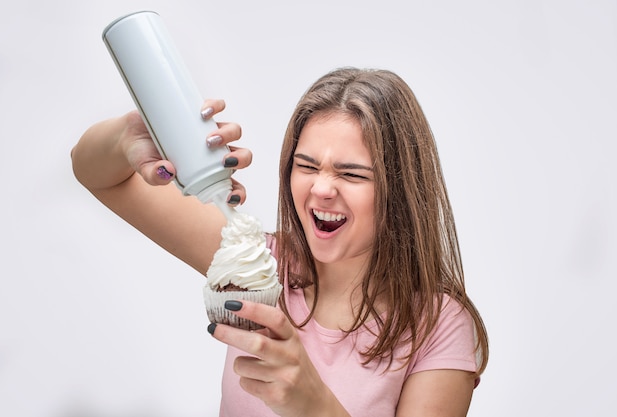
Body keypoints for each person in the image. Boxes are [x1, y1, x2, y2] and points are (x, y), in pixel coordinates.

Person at [72, 67, 489, 417]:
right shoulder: (257, 262)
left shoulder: (441, 327)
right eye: (306, 165)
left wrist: (313, 403)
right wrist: (130, 136)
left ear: (401, 190)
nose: (321, 189)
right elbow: (94, 172)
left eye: (352, 174)